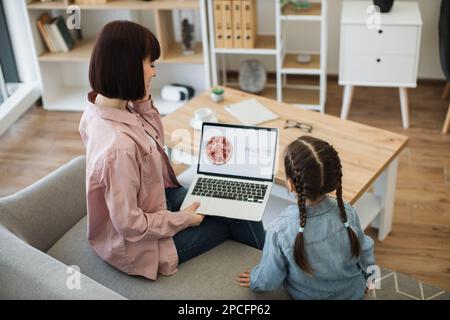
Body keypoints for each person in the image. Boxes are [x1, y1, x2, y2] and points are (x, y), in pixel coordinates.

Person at [79, 20, 265, 280]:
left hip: (157, 200)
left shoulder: (102, 107)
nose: (154, 73)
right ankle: (269, 270)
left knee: (238, 202)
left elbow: (154, 139)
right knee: (231, 220)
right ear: (128, 68)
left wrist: (142, 99)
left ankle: (268, 267)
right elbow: (131, 226)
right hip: (139, 248)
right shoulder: (118, 147)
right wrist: (183, 220)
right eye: (150, 64)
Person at [237, 136, 376, 299]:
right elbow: (366, 250)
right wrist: (371, 280)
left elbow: (269, 280)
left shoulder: (279, 230)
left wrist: (255, 279)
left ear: (290, 184)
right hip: (354, 293)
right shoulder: (347, 211)